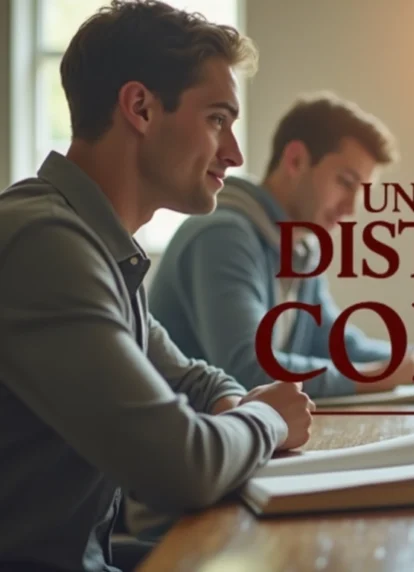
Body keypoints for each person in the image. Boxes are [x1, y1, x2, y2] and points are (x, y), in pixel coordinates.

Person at [0, 2, 314, 571]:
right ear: (140, 107)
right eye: (218, 118)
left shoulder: (100, 243)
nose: (235, 153)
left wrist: (229, 402)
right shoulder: (43, 243)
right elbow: (182, 467)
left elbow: (193, 377)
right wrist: (267, 419)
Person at [145, 92, 414, 402]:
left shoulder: (299, 248)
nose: (351, 209)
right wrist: (372, 376)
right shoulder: (221, 236)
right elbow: (249, 370)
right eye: (345, 183)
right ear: (296, 160)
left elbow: (336, 345)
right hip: (187, 448)